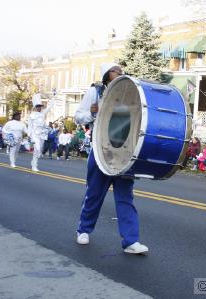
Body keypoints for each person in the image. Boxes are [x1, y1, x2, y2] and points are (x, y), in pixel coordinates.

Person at [74, 63, 148, 254]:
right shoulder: (96, 92)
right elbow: (78, 116)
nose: (120, 72)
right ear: (107, 74)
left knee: (125, 197)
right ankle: (83, 230)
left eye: (121, 70)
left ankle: (131, 241)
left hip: (124, 153)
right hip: (101, 151)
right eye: (115, 70)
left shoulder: (131, 92)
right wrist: (91, 113)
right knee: (94, 193)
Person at [28, 93, 53, 172]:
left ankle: (34, 164)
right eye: (38, 107)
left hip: (42, 134)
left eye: (40, 107)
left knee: (38, 150)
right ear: (35, 107)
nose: (39, 108)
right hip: (35, 134)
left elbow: (49, 108)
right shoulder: (32, 115)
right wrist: (29, 135)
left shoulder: (42, 114)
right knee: (37, 148)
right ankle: (34, 164)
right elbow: (30, 126)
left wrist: (52, 99)